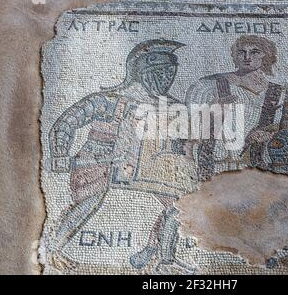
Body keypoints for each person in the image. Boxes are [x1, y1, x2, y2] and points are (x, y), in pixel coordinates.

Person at [48, 39, 197, 272]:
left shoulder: (172, 107)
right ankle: (53, 249)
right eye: (159, 72)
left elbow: (182, 144)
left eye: (170, 72)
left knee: (179, 205)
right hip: (100, 164)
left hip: (149, 169)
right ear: (140, 71)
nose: (166, 79)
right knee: (87, 204)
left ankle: (162, 258)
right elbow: (67, 122)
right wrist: (60, 155)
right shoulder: (109, 100)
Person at [186, 35, 286, 180]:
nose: (247, 57)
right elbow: (190, 122)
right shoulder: (210, 85)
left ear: (266, 55)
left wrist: (269, 135)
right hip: (218, 162)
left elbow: (281, 127)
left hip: (255, 166)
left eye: (255, 52)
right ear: (235, 56)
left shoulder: (277, 92)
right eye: (241, 52)